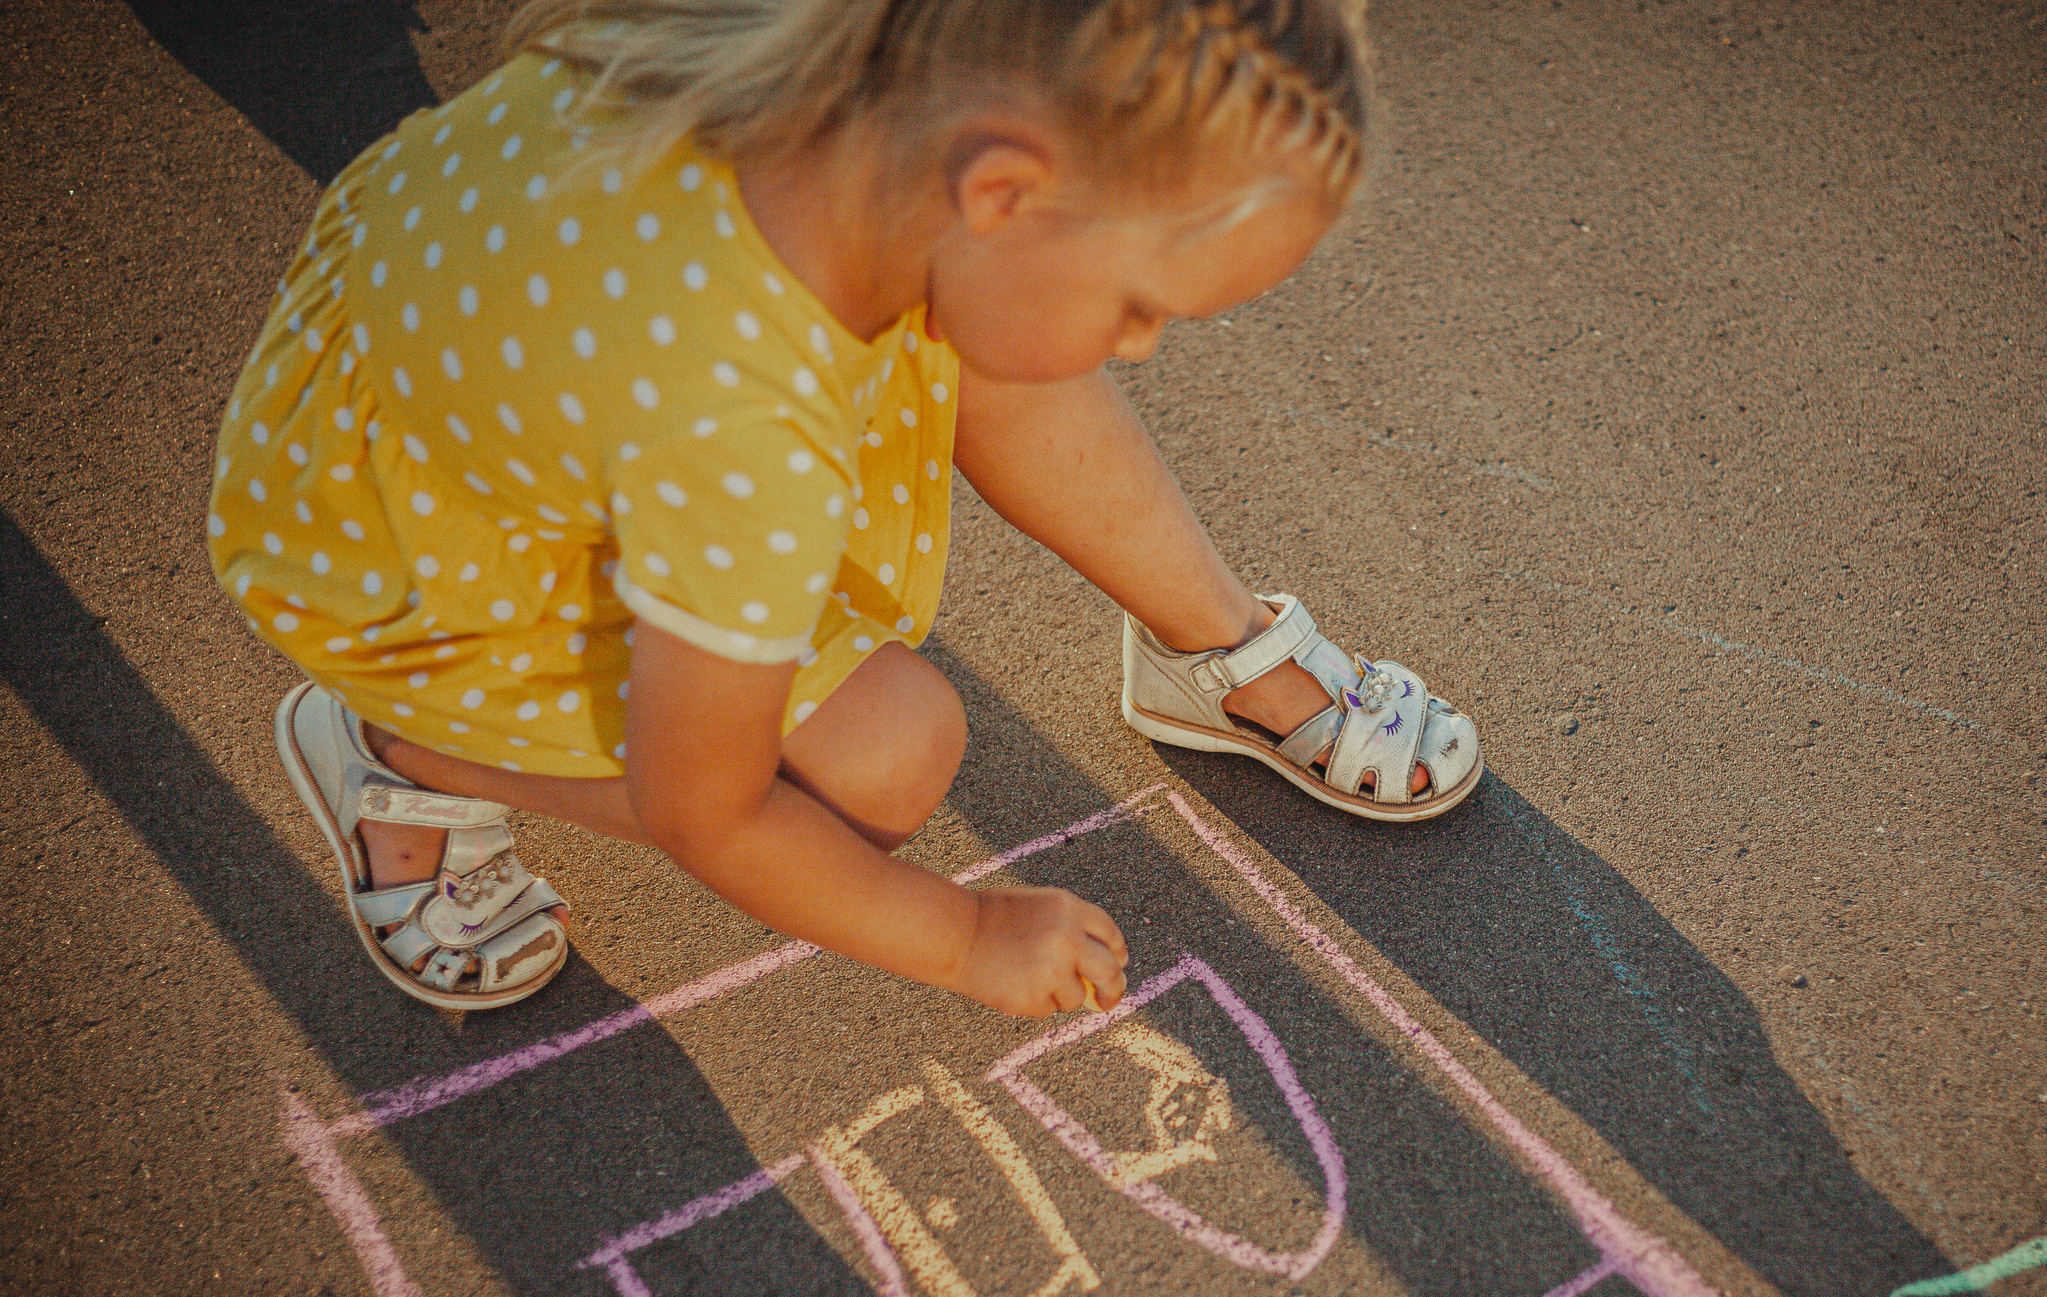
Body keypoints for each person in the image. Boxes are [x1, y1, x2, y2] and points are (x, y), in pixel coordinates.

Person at [209, 0, 1481, 1020]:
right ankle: (400, 753)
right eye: (1140, 304)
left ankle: (1214, 651)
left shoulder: (852, 74)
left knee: (1004, 339)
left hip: (467, 397)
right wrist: (965, 933)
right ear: (1002, 190)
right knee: (879, 756)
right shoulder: (737, 432)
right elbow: (699, 808)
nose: (1139, 348)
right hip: (414, 564)